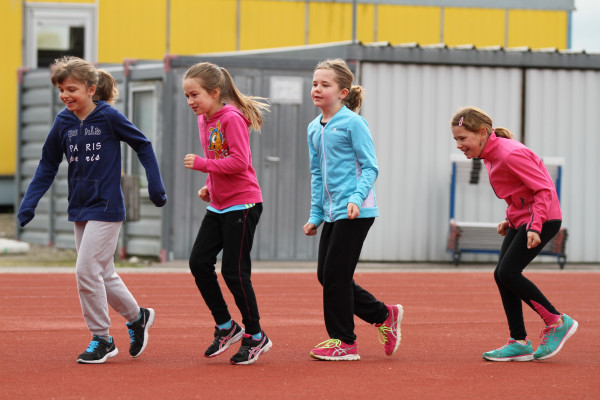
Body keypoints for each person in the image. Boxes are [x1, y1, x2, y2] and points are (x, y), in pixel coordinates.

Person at [17, 56, 167, 364]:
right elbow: (47, 164)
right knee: (102, 273)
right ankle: (137, 316)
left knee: (86, 271)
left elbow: (143, 144)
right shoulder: (63, 122)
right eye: (61, 90)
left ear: (91, 89)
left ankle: (102, 338)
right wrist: (30, 202)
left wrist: (155, 186)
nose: (65, 95)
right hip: (80, 206)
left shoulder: (108, 117)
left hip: (107, 206)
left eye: (71, 89)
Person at [450, 106, 578, 362]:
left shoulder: (509, 154)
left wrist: (535, 225)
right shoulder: (490, 155)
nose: (459, 145)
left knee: (508, 272)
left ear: (482, 133)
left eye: (463, 138)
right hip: (523, 219)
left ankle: (556, 322)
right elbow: (519, 192)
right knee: (501, 275)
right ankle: (519, 341)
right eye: (456, 139)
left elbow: (543, 190)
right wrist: (510, 219)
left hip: (543, 219)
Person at [303, 58, 403, 361]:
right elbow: (317, 174)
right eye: (314, 83)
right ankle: (383, 314)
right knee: (327, 275)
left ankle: (344, 341)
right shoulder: (313, 128)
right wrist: (316, 215)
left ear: (343, 92)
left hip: (357, 211)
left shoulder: (353, 123)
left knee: (336, 275)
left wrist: (356, 199)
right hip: (332, 212)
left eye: (325, 84)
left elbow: (371, 167)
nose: (317, 89)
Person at [182, 62, 272, 365]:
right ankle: (226, 326)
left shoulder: (231, 118)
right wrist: (209, 185)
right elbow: (216, 155)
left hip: (243, 204)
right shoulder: (204, 119)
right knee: (199, 262)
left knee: (234, 272)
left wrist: (203, 166)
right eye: (187, 96)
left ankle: (256, 335)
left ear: (214, 92)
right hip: (219, 204)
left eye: (195, 94)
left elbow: (240, 162)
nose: (190, 101)